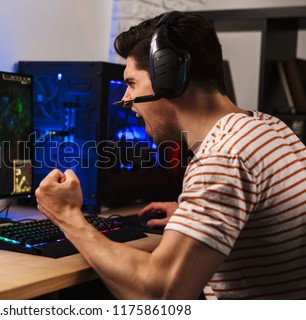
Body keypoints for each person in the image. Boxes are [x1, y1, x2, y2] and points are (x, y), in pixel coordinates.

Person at [35, 11, 306, 299]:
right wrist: (189, 221)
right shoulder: (267, 127)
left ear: (170, 78)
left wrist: (68, 217)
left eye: (131, 83)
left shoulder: (224, 157)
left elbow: (163, 294)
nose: (125, 100)